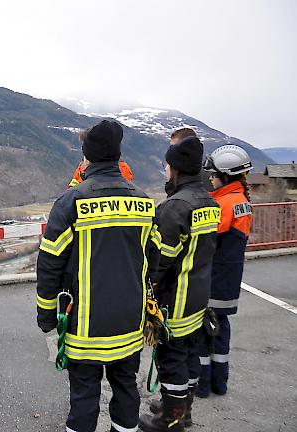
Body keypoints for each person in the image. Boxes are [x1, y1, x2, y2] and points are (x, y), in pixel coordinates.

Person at [37, 120, 160, 432]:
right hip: (130, 323)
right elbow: (154, 260)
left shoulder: (71, 202)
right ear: (118, 157)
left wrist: (47, 319)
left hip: (84, 327)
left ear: (85, 159)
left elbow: (49, 266)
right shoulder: (144, 202)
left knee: (84, 397)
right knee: (126, 392)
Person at [139, 136, 220, 431]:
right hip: (199, 296)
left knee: (170, 357)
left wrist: (149, 289)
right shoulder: (208, 202)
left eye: (167, 166)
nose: (165, 172)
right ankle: (182, 408)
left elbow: (161, 260)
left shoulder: (175, 207)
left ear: (177, 169)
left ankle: (170, 419)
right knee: (189, 355)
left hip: (176, 300)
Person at [198, 145, 253, 397]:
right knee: (220, 330)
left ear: (225, 175)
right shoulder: (242, 201)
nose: (210, 178)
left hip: (214, 277)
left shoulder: (223, 204)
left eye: (213, 175)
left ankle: (203, 384)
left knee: (202, 331)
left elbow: (206, 239)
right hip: (230, 279)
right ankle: (220, 382)